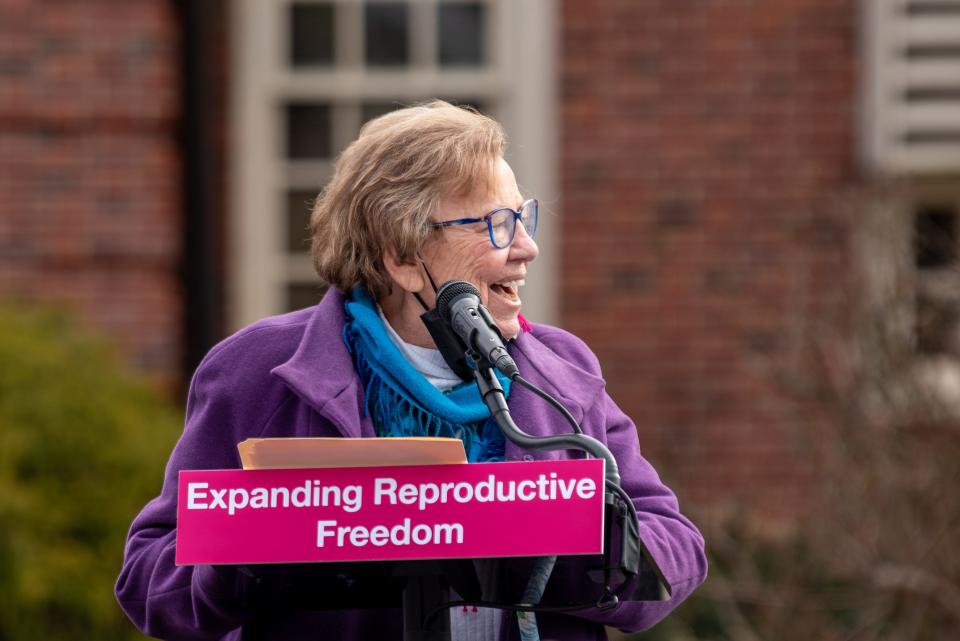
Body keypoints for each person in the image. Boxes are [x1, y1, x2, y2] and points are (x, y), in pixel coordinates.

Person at [116, 101, 707, 640]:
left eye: (522, 218)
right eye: (495, 224)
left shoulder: (562, 371)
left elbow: (675, 547)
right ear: (400, 257)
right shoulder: (256, 372)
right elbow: (150, 579)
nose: (526, 247)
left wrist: (576, 561)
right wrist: (250, 561)